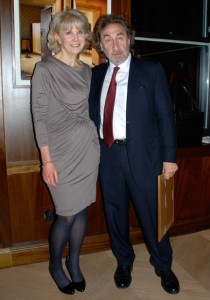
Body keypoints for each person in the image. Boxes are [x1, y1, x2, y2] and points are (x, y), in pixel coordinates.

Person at [89, 14, 180, 295]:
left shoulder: (151, 70)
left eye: (120, 37)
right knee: (115, 214)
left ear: (129, 39)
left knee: (153, 216)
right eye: (108, 38)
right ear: (100, 45)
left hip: (146, 157)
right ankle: (124, 262)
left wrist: (169, 158)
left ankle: (163, 265)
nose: (115, 44)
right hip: (108, 157)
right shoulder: (95, 76)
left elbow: (166, 117)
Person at [31, 9, 100, 295]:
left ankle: (74, 263)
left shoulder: (88, 70)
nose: (75, 37)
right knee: (66, 214)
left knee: (81, 209)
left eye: (80, 31)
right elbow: (39, 116)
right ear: (57, 36)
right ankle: (55, 265)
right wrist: (46, 161)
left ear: (86, 36)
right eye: (68, 31)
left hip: (88, 151)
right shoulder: (45, 69)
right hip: (59, 153)